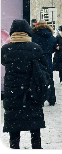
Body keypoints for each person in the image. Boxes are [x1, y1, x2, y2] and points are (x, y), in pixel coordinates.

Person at [2, 20, 47, 149]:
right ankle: (36, 148)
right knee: (35, 126)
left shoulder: (6, 49)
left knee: (14, 127)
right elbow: (44, 67)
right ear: (28, 31)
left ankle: (14, 147)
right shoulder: (35, 48)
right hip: (32, 92)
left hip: (13, 93)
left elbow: (3, 62)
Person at [31, 22, 57, 106]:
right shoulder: (51, 36)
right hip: (48, 60)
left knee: (37, 81)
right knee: (49, 80)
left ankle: (40, 100)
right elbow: (54, 48)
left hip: (36, 61)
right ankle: (51, 99)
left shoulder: (33, 36)